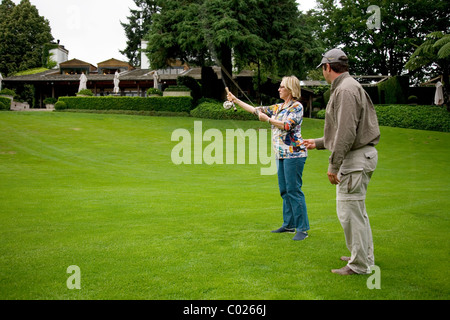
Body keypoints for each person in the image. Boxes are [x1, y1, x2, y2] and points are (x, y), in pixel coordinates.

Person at [303, 48, 381, 275]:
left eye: (323, 69)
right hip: (361, 155)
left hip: (355, 159)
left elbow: (346, 132)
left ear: (328, 67)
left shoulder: (345, 91)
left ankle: (358, 265)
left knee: (350, 213)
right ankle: (363, 257)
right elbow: (343, 131)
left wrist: (333, 165)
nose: (323, 73)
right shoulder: (350, 86)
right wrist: (318, 142)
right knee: (357, 211)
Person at [227, 76, 310, 241]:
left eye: (282, 87)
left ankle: (302, 229)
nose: (278, 89)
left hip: (294, 154)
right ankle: (289, 225)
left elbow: (287, 125)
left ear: (290, 90)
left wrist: (269, 120)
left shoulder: (296, 107)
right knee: (285, 190)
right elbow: (255, 110)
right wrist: (236, 100)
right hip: (280, 154)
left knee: (294, 190)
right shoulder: (278, 107)